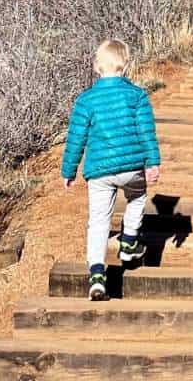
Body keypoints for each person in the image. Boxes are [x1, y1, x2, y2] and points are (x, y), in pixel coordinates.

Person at [62, 39, 161, 301]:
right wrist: (152, 163)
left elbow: (76, 138)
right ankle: (129, 241)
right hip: (131, 167)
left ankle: (96, 274)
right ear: (125, 66)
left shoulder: (86, 101)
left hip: (99, 171)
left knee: (98, 221)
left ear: (97, 68)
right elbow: (146, 133)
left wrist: (69, 171)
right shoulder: (137, 96)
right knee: (137, 197)